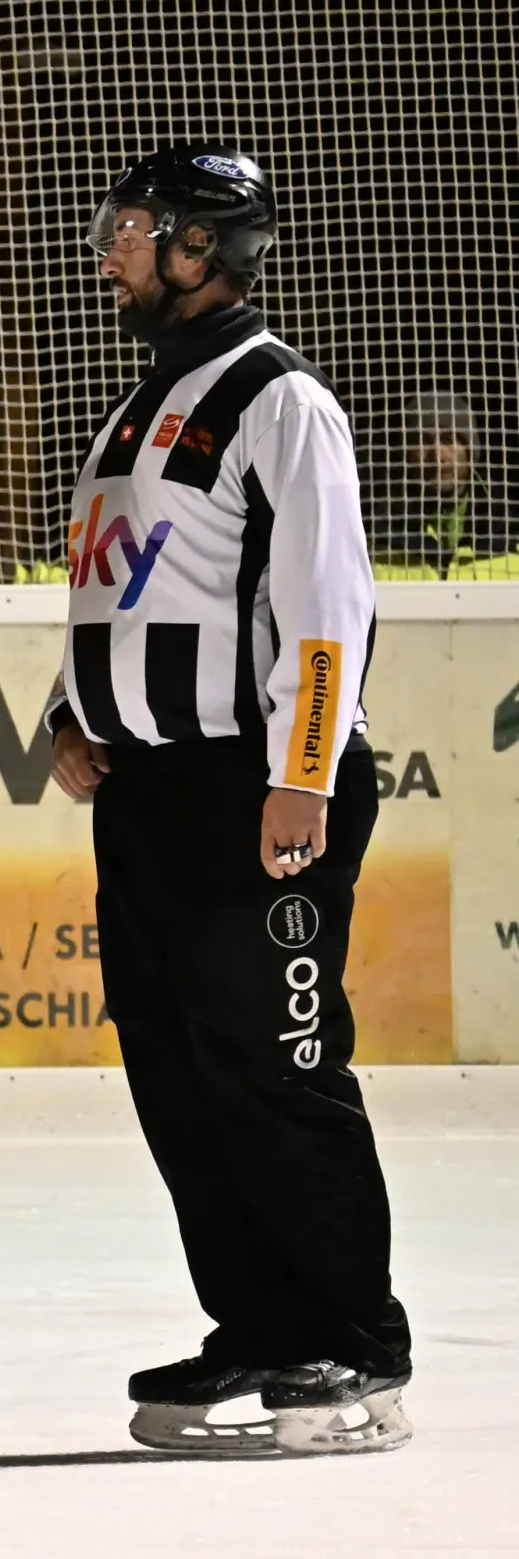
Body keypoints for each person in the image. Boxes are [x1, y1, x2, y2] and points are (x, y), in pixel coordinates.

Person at [51, 144, 411, 1457]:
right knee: (181, 1076)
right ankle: (259, 1324)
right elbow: (127, 591)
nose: (110, 254)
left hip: (257, 790)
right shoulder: (137, 404)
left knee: (281, 1069)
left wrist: (300, 778)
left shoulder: (280, 400)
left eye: (133, 232)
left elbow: (327, 607)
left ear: (204, 247)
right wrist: (70, 716)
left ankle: (356, 1345)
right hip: (146, 793)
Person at [366, 389, 510, 579]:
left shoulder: (510, 537)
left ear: (470, 452)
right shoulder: (376, 543)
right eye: (423, 441)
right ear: (407, 455)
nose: (437, 457)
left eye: (449, 440)